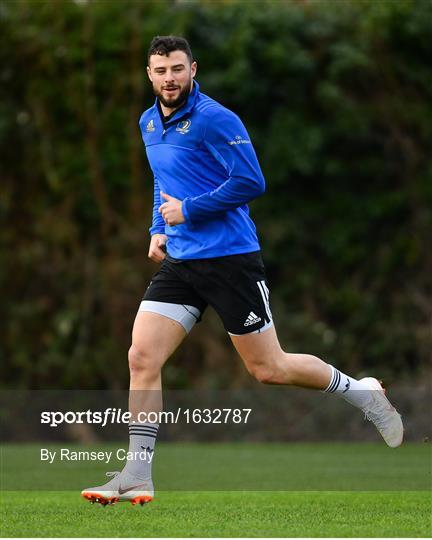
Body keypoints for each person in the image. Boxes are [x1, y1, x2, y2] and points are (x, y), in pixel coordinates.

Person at [82, 36, 403, 506]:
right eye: (160, 70)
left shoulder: (215, 118)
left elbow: (252, 181)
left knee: (269, 369)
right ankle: (136, 473)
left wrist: (187, 212)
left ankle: (362, 392)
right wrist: (157, 226)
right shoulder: (149, 121)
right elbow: (162, 180)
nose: (169, 78)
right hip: (181, 263)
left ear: (193, 69)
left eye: (177, 68)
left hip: (230, 259)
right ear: (148, 75)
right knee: (141, 358)